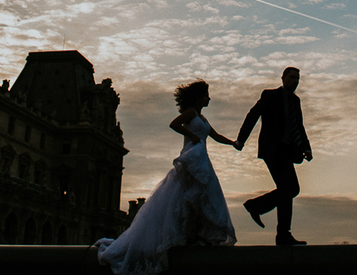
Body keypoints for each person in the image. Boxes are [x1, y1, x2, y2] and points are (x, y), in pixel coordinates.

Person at [96, 80, 236, 275]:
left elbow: (216, 135)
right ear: (198, 97)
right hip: (191, 159)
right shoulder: (191, 113)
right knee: (189, 197)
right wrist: (192, 136)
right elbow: (174, 124)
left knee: (196, 197)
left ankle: (192, 235)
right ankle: (190, 236)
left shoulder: (202, 118)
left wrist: (234, 143)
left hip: (201, 161)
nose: (209, 98)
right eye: (206, 95)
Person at [234, 67, 312, 246]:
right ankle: (281, 232)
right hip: (272, 151)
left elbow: (299, 126)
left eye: (298, 79)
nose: (295, 81)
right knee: (290, 189)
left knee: (289, 190)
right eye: (292, 77)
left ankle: (263, 213)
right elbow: (253, 115)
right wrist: (240, 140)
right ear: (283, 78)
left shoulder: (295, 100)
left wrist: (306, 148)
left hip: (287, 152)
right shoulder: (270, 95)